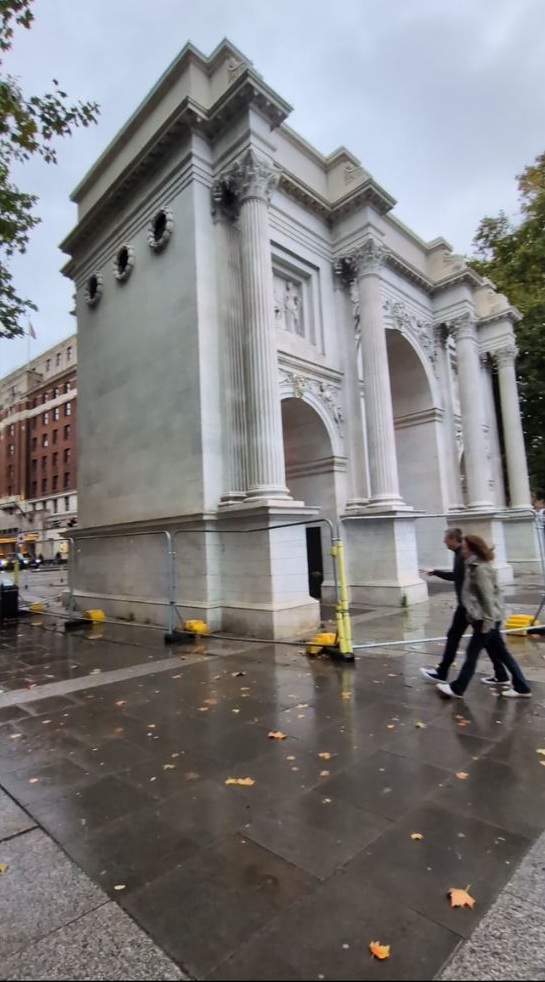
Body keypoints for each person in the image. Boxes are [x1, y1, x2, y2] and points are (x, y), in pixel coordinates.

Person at [436, 534, 531, 700]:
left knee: (472, 653)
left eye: (464, 548)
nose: (462, 551)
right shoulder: (474, 565)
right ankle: (520, 685)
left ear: (473, 550)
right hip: (487, 617)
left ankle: (458, 688)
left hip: (485, 619)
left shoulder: (479, 569)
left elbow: (487, 598)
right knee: (502, 652)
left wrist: (488, 622)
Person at [420, 528, 508, 686]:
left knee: (469, 642)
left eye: (446, 538)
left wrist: (488, 617)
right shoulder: (460, 555)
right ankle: (501, 674)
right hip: (470, 606)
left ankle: (449, 677)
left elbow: (466, 580)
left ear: (454, 539)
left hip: (471, 607)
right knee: (487, 642)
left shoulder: (463, 556)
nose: (443, 542)